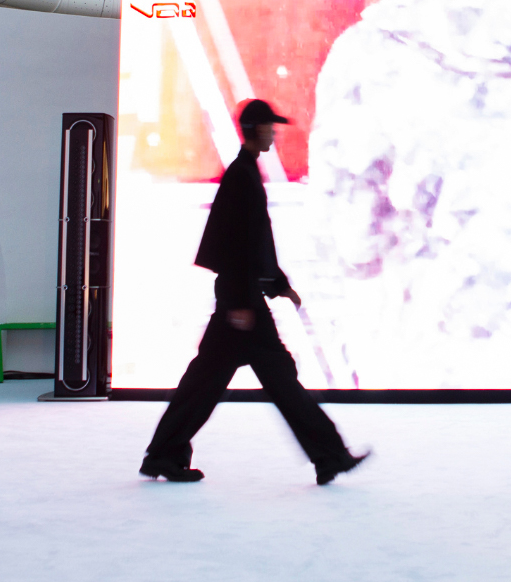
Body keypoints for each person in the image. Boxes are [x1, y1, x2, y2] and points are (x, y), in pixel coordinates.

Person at [140, 99, 369, 485]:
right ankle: (329, 456)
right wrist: (242, 304)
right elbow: (238, 246)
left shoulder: (244, 174)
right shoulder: (241, 177)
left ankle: (163, 454)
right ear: (255, 130)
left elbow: (251, 243)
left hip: (240, 303)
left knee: (206, 385)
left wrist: (277, 286)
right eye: (269, 127)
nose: (274, 133)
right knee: (272, 384)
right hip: (242, 308)